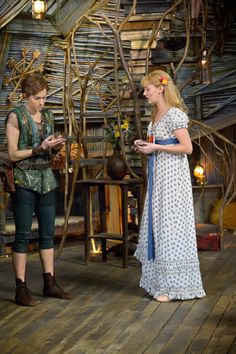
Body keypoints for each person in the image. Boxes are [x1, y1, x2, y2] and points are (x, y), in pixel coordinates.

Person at [134, 69, 205, 302]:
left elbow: (187, 148)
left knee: (170, 227)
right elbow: (159, 142)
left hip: (173, 179)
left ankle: (174, 286)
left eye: (148, 88)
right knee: (158, 225)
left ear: (161, 88)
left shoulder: (174, 114)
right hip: (158, 177)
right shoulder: (156, 114)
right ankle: (159, 284)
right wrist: (145, 144)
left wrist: (156, 148)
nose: (145, 93)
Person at [6, 73, 71, 306]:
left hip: (47, 179)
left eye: (44, 98)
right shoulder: (16, 116)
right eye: (37, 98)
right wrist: (38, 148)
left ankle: (49, 282)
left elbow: (49, 151)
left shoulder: (49, 116)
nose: (41, 102)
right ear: (26, 95)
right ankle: (21, 288)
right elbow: (13, 154)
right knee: (22, 236)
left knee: (47, 234)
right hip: (25, 179)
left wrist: (55, 148)